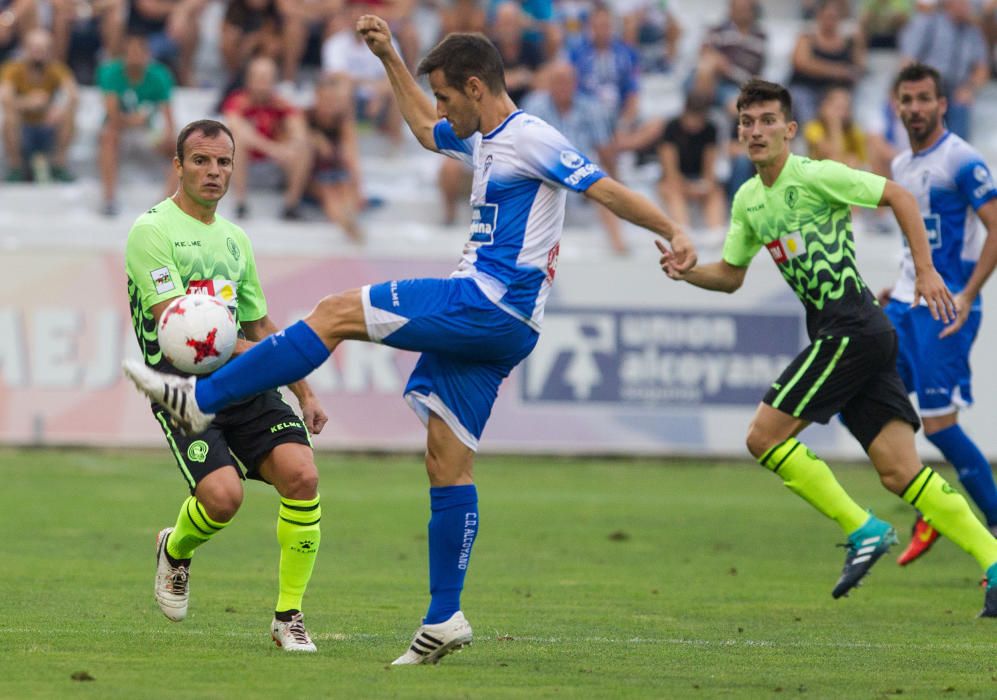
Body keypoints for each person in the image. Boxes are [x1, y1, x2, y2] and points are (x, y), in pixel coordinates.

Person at [123, 15, 696, 664]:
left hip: (486, 301)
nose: (444, 109)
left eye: (450, 95)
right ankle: (444, 616)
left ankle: (199, 399)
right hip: (507, 329)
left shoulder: (531, 138)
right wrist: (390, 56)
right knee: (445, 461)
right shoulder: (482, 139)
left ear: (477, 87)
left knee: (336, 312)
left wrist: (672, 229)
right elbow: (426, 131)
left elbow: (605, 189)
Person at [657, 78, 997, 617]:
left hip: (853, 327)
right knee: (899, 472)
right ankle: (995, 559)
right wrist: (688, 271)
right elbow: (730, 277)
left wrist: (927, 272)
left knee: (762, 437)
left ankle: (863, 527)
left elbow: (899, 196)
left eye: (768, 120)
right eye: (747, 121)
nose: (756, 130)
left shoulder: (816, 175)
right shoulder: (748, 199)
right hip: (855, 332)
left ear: (790, 130)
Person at [125, 118, 328, 651]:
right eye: (201, 161)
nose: (214, 172)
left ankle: (289, 617)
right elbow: (180, 327)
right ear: (178, 165)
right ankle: (176, 548)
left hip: (247, 381)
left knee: (302, 477)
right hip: (183, 391)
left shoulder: (236, 240)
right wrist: (256, 351)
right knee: (222, 498)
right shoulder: (152, 232)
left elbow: (260, 323)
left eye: (223, 162)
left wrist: (305, 391)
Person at [881, 63, 997, 565]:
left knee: (940, 426)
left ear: (943, 103)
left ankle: (989, 530)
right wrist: (899, 285)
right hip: (906, 305)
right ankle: (933, 502)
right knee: (865, 402)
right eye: (907, 100)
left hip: (946, 307)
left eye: (924, 98)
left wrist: (969, 294)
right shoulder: (901, 164)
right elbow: (919, 239)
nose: (915, 108)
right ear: (897, 105)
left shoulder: (962, 160)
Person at [221, 55, 313, 220]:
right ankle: (240, 203)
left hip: (276, 165)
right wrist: (274, 149)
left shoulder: (281, 104)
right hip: (244, 165)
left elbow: (299, 130)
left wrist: (291, 146)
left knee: (305, 146)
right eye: (259, 78)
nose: (263, 83)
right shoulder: (237, 101)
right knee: (236, 141)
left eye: (267, 78)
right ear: (249, 79)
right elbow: (238, 129)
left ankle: (290, 205)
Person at [96, 32, 176, 216]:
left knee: (182, 147)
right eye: (130, 53)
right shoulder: (110, 73)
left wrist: (168, 136)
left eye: (139, 53)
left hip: (147, 131)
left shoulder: (160, 76)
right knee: (108, 137)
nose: (134, 58)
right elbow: (112, 116)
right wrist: (132, 120)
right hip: (118, 131)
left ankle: (167, 200)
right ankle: (109, 198)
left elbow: (168, 114)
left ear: (147, 55)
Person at [899, 0, 988, 141]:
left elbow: (982, 68)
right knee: (923, 108)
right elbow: (908, 59)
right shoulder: (930, 23)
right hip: (928, 86)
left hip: (957, 90)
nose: (968, 6)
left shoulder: (973, 32)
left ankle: (956, 155)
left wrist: (969, 88)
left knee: (961, 106)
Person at [0, 27, 78, 182]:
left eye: (43, 49)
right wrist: (26, 103)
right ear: (26, 49)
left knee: (69, 114)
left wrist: (59, 110)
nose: (38, 53)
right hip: (23, 126)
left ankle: (58, 165)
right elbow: (4, 97)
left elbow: (72, 95)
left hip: (47, 124)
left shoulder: (57, 69)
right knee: (9, 116)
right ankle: (16, 167)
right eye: (35, 48)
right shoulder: (13, 68)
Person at [787, 0, 866, 127]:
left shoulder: (849, 41)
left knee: (845, 100)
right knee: (801, 99)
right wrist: (837, 71)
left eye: (834, 17)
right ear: (819, 17)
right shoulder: (806, 38)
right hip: (807, 88)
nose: (830, 21)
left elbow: (860, 68)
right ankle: (811, 132)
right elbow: (800, 62)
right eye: (827, 17)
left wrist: (859, 43)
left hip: (836, 92)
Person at [306, 72, 363, 241]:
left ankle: (350, 218)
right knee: (328, 192)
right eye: (325, 100)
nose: (329, 105)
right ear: (317, 97)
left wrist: (358, 185)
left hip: (334, 172)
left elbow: (352, 154)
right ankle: (343, 222)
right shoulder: (306, 117)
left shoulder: (342, 121)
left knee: (346, 187)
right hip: (313, 176)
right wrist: (315, 138)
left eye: (332, 101)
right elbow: (297, 138)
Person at [803, 86, 868, 169]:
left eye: (844, 108)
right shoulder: (813, 128)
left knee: (852, 160)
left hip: (845, 174)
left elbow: (863, 162)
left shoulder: (854, 131)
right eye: (836, 108)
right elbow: (830, 156)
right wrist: (834, 125)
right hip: (819, 172)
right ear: (824, 107)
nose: (840, 114)